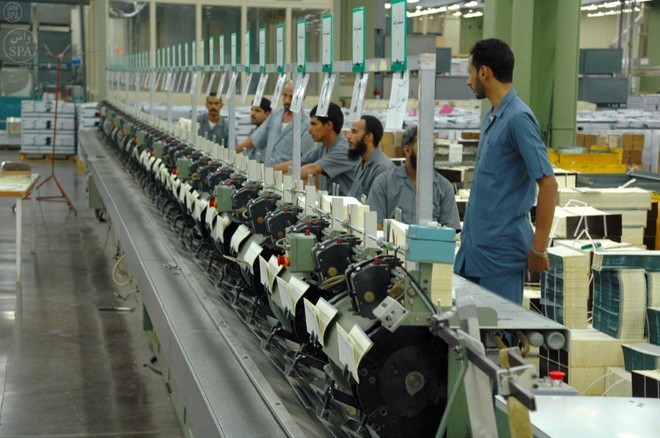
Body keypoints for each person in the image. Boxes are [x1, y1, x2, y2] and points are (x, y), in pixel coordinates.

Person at [454, 38, 558, 305]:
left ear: (484, 72)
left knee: (497, 330)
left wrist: (539, 247)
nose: (468, 81)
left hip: (498, 259)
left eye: (470, 72)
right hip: (473, 253)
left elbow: (548, 184)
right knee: (465, 328)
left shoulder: (518, 119)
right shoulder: (492, 116)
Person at [367, 125, 460, 230]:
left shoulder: (444, 188)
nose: (431, 153)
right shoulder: (383, 183)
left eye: (433, 147)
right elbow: (375, 227)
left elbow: (449, 232)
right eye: (425, 147)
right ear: (407, 150)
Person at [274, 103, 356, 195]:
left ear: (329, 125)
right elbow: (298, 162)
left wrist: (277, 180)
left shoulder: (344, 150)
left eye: (314, 124)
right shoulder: (323, 149)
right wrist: (270, 172)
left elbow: (313, 169)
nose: (309, 129)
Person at [234, 80, 314, 166]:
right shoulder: (275, 116)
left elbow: (307, 159)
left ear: (302, 97)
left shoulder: (306, 125)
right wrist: (232, 153)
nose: (287, 100)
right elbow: (254, 140)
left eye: (292, 97)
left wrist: (279, 169)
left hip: (287, 173)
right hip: (267, 171)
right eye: (285, 95)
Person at [346, 115, 395, 201]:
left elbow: (376, 206)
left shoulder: (383, 169)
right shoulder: (361, 163)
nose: (348, 136)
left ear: (368, 136)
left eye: (354, 132)